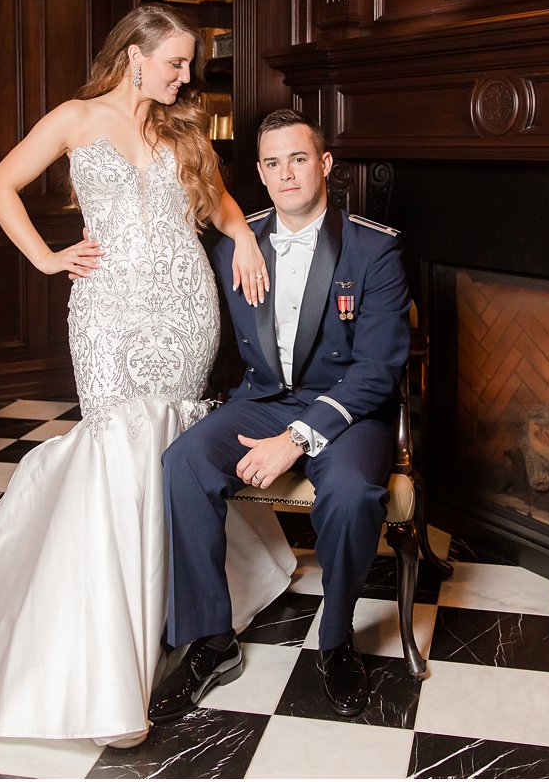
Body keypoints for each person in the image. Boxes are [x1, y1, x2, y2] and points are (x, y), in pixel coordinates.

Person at [0, 4, 295, 748]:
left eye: (190, 64)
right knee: (116, 454)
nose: (188, 76)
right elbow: (0, 186)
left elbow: (217, 200)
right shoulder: (73, 118)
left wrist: (244, 236)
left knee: (171, 455)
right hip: (108, 311)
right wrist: (46, 258)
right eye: (177, 62)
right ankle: (104, 663)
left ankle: (170, 606)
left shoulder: (181, 127)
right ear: (135, 54)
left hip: (186, 309)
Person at [150, 109, 410, 722]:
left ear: (324, 165)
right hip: (262, 398)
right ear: (261, 175)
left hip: (349, 408)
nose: (286, 173)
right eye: (272, 163)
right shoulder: (237, 242)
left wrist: (297, 440)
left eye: (299, 158)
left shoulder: (375, 248)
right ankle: (212, 640)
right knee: (183, 462)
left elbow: (378, 369)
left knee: (348, 493)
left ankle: (338, 639)